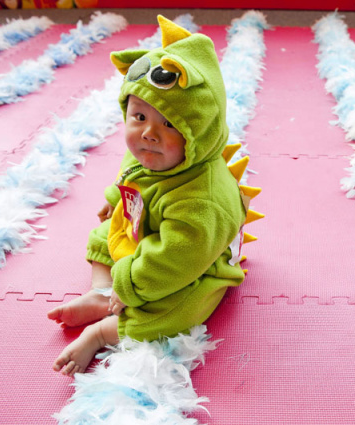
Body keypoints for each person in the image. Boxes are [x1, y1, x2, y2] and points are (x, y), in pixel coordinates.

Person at [47, 15, 251, 376]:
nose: (148, 135)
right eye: (138, 116)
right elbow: (131, 170)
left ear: (199, 132)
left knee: (178, 309)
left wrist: (130, 289)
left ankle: (103, 332)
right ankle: (99, 291)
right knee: (103, 234)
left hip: (195, 260)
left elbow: (175, 261)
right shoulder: (152, 150)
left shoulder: (201, 202)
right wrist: (115, 197)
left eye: (170, 124)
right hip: (153, 228)